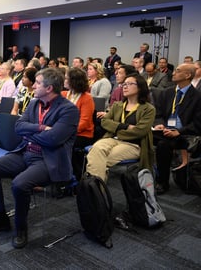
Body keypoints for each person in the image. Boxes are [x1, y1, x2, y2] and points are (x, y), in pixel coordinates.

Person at [0, 68, 79, 249]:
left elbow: (53, 139)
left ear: (49, 88)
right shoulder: (34, 103)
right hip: (26, 152)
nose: (33, 85)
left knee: (20, 184)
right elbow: (19, 126)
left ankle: (21, 228)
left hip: (48, 160)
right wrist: (40, 129)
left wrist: (31, 133)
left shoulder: (69, 110)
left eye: (38, 83)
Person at [86, 74, 155, 182]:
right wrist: (125, 127)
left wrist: (116, 130)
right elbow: (104, 122)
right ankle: (97, 190)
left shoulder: (148, 109)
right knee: (97, 149)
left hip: (133, 144)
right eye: (124, 84)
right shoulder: (118, 105)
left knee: (98, 159)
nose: (125, 86)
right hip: (113, 139)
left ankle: (95, 191)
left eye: (130, 84)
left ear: (140, 87)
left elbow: (140, 131)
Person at [152, 63, 201, 194]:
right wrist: (160, 123)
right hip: (164, 130)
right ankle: (141, 176)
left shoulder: (197, 97)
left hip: (184, 134)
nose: (173, 73)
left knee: (163, 145)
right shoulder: (167, 93)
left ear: (187, 75)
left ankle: (162, 182)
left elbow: (197, 123)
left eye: (177, 71)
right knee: (144, 135)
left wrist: (178, 131)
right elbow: (158, 114)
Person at [62, 68, 95, 180]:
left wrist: (65, 131)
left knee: (60, 143)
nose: (64, 80)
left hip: (83, 134)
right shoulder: (64, 95)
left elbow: (84, 123)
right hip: (66, 131)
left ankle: (68, 178)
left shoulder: (87, 98)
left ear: (74, 81)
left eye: (66, 78)